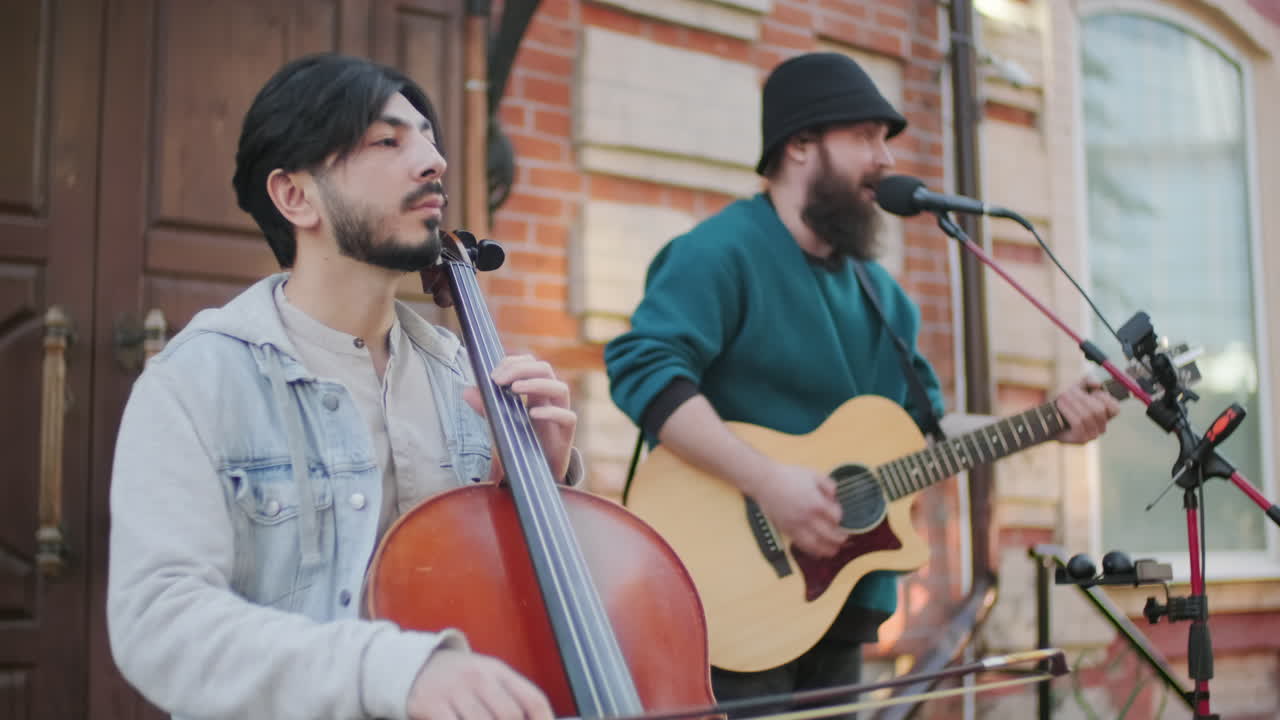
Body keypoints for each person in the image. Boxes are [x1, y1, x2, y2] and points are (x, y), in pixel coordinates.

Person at [604, 52, 1121, 709]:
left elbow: (928, 435)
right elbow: (643, 370)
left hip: (836, 603)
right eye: (866, 137)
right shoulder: (721, 253)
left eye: (886, 140)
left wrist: (1049, 425)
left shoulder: (884, 297)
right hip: (726, 597)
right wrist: (769, 482)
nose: (885, 159)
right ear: (799, 146)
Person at [107, 54, 580, 720]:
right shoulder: (196, 381)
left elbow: (508, 614)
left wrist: (534, 488)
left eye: (427, 137)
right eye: (388, 141)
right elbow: (160, 624)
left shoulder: (470, 381)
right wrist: (394, 672)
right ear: (295, 196)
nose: (433, 160)